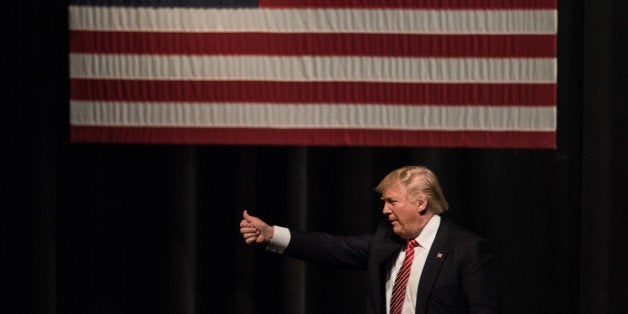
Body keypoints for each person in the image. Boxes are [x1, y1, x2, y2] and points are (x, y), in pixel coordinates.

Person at [240, 165, 499, 314]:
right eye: (384, 202)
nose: (385, 210)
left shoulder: (467, 250)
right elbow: (333, 248)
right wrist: (272, 234)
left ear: (421, 203)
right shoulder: (386, 241)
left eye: (392, 202)